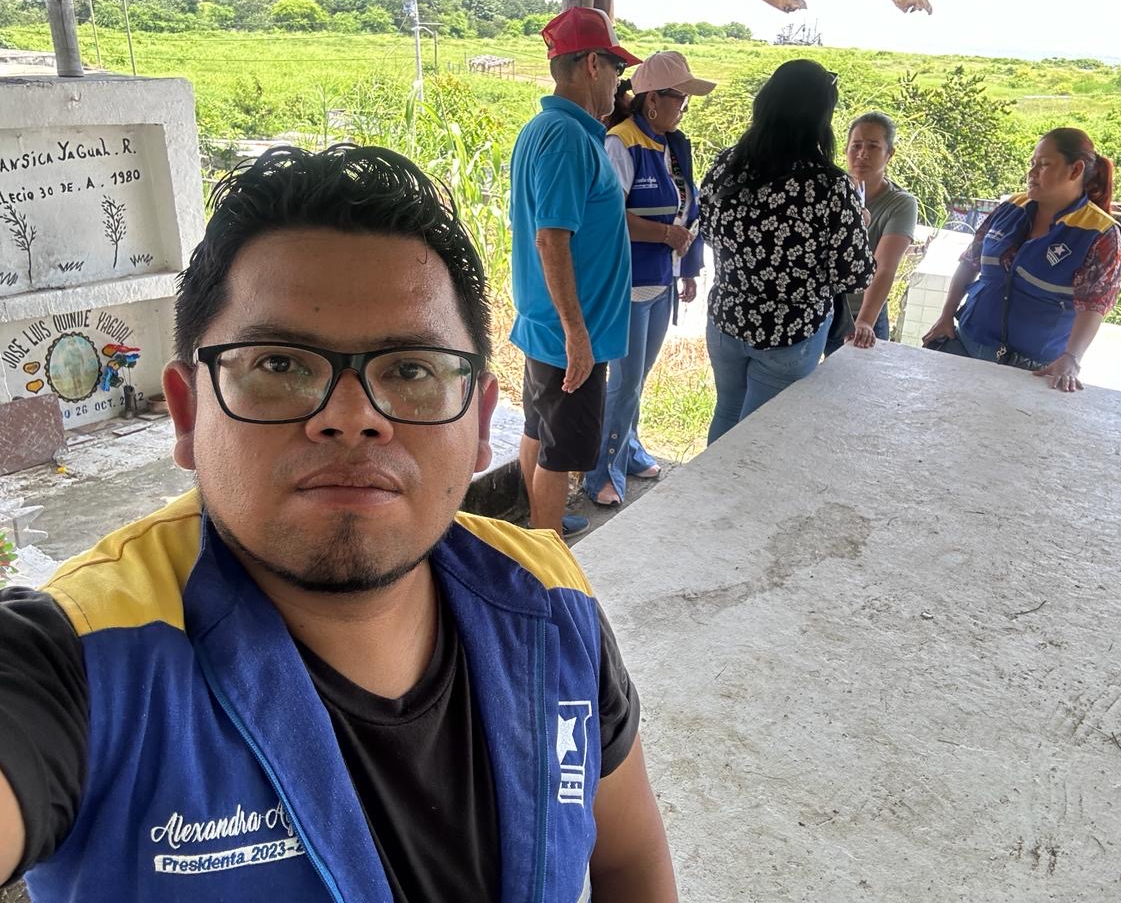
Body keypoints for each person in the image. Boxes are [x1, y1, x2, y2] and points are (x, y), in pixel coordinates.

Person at [0, 144, 677, 902]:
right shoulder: (83, 660)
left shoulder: (548, 599)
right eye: (279, 365)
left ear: (480, 422)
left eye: (412, 369)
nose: (352, 418)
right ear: (187, 414)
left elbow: (630, 862)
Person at [509, 6, 641, 538]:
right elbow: (551, 237)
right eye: (616, 68)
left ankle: (540, 529)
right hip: (567, 332)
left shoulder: (553, 129)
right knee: (560, 453)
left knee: (540, 431)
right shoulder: (565, 136)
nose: (618, 81)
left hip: (551, 325)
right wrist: (576, 333)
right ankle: (547, 557)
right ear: (591, 64)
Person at [699, 59, 874, 444]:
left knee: (727, 412)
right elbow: (854, 274)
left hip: (728, 317)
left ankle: (708, 483)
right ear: (820, 117)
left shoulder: (727, 164)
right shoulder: (829, 186)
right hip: (791, 332)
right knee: (759, 437)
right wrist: (858, 223)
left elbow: (707, 231)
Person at [584, 51, 715, 507]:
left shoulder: (672, 146)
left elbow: (687, 208)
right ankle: (603, 471)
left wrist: (688, 267)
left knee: (638, 377)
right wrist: (664, 236)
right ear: (653, 100)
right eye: (680, 98)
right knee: (624, 382)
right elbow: (610, 219)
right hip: (629, 283)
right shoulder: (621, 144)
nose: (685, 108)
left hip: (662, 280)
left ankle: (629, 448)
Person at [921, 127, 1121, 393]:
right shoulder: (1011, 208)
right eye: (1032, 163)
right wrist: (946, 316)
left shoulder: (1100, 233)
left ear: (1075, 170)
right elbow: (970, 262)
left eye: (1044, 164)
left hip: (1033, 370)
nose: (1032, 172)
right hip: (965, 345)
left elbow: (1094, 305)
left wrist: (1072, 359)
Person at [824, 112, 919, 355]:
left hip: (866, 312)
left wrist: (865, 321)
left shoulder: (901, 203)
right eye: (856, 146)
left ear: (889, 153)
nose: (863, 154)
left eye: (873, 146)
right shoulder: (828, 192)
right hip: (823, 309)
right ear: (846, 149)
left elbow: (884, 267)